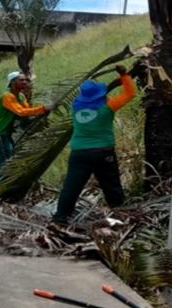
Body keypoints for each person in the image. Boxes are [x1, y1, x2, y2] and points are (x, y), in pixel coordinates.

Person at [52, 64, 135, 224]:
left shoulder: (75, 107)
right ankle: (119, 214)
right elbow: (130, 93)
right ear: (101, 96)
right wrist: (124, 76)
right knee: (111, 185)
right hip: (103, 153)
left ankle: (60, 218)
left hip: (79, 154)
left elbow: (88, 97)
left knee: (71, 187)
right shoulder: (108, 107)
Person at [0, 71, 46, 171]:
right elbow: (21, 112)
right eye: (21, 80)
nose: (25, 82)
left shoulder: (21, 96)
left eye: (25, 80)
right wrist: (42, 109)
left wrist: (41, 112)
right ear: (12, 82)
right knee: (3, 163)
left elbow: (27, 111)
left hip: (6, 133)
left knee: (10, 158)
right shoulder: (7, 96)